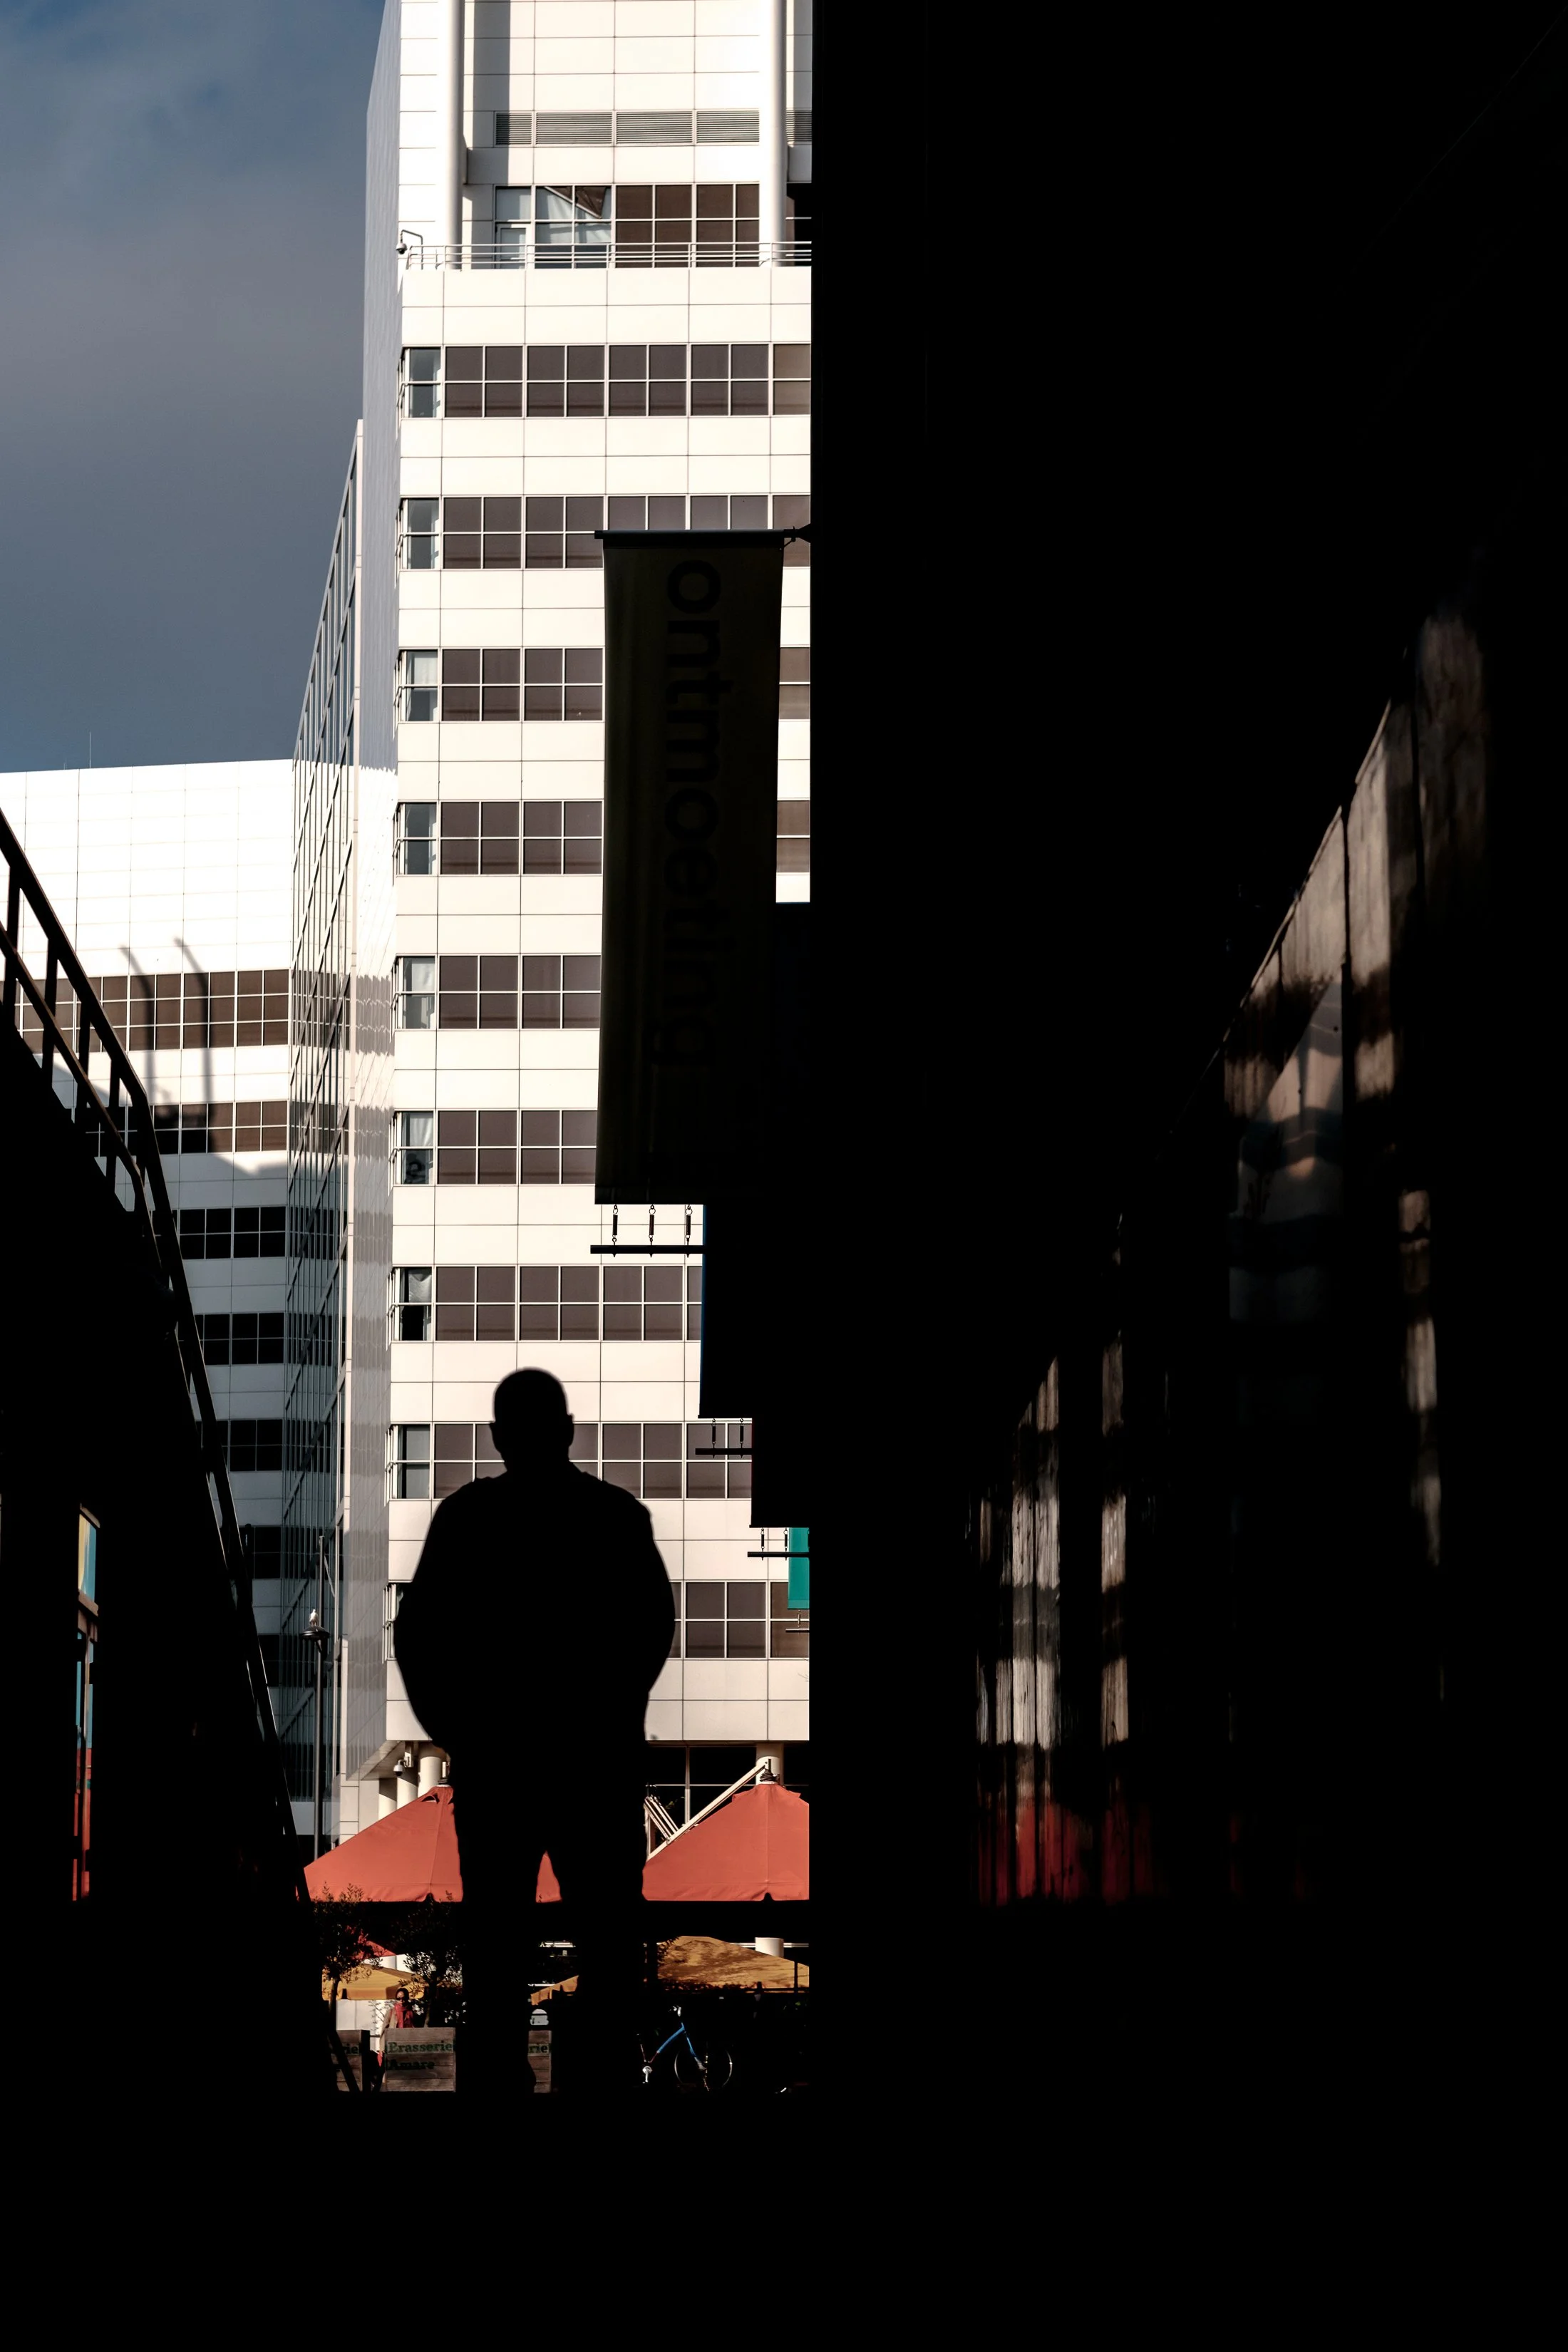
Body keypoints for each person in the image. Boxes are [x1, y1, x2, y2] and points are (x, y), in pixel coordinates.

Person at [395, 1368, 674, 2098]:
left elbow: (417, 1636)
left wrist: (458, 1732)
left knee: (495, 1938)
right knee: (606, 1934)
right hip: (595, 1763)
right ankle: (605, 2074)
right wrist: (610, 1713)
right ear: (568, 1429)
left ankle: (496, 2077)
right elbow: (649, 1633)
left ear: (498, 1437)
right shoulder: (616, 1518)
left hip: (499, 1765)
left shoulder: (466, 1520)